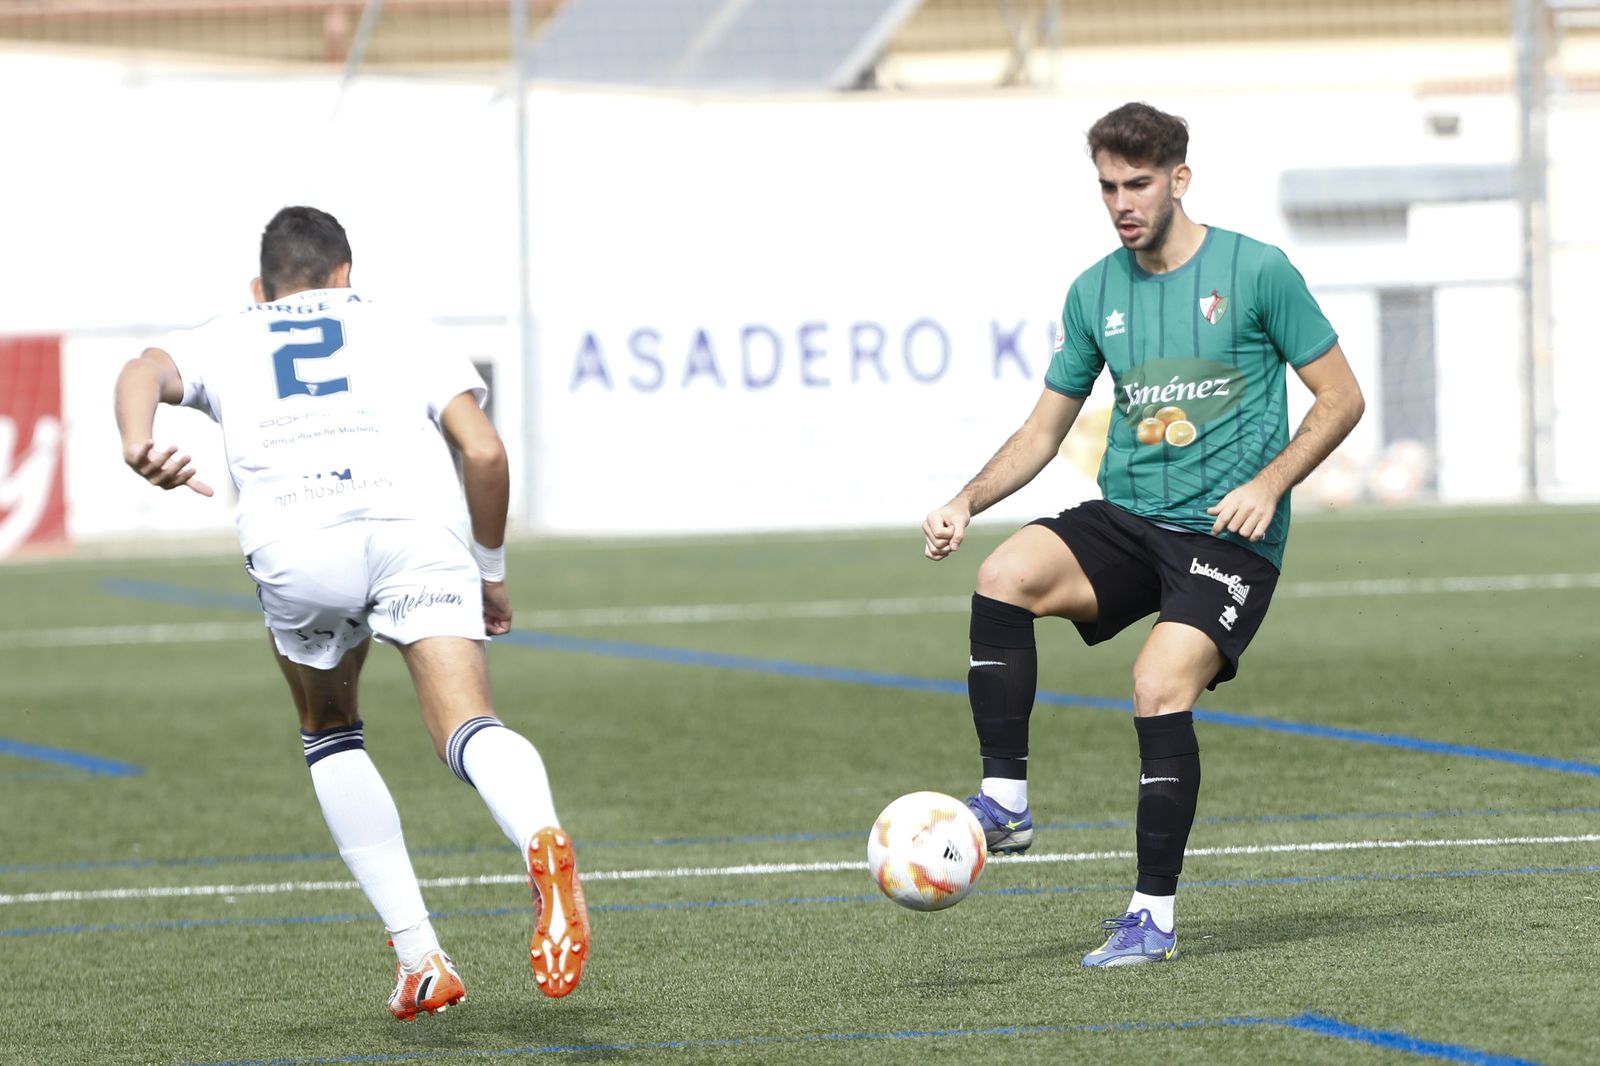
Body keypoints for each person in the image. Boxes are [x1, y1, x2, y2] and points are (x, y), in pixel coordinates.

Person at [114, 206, 591, 1016]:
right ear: (346, 275)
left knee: (330, 727)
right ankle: (541, 832)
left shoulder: (232, 330)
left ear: (260, 287)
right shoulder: (401, 326)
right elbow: (484, 451)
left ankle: (421, 958)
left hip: (301, 540)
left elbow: (140, 370)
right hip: (416, 532)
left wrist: (138, 443)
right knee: (468, 726)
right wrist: (491, 570)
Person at [922, 102, 1364, 967]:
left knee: (1158, 684)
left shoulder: (1257, 271)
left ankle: (1151, 917)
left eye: (1138, 183)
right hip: (1130, 520)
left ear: (1178, 180)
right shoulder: (1094, 292)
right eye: (1108, 187)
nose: (1122, 202)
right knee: (1004, 573)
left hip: (1229, 538)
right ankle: (1004, 802)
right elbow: (1045, 431)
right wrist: (967, 500)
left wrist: (1270, 484)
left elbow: (1342, 398)